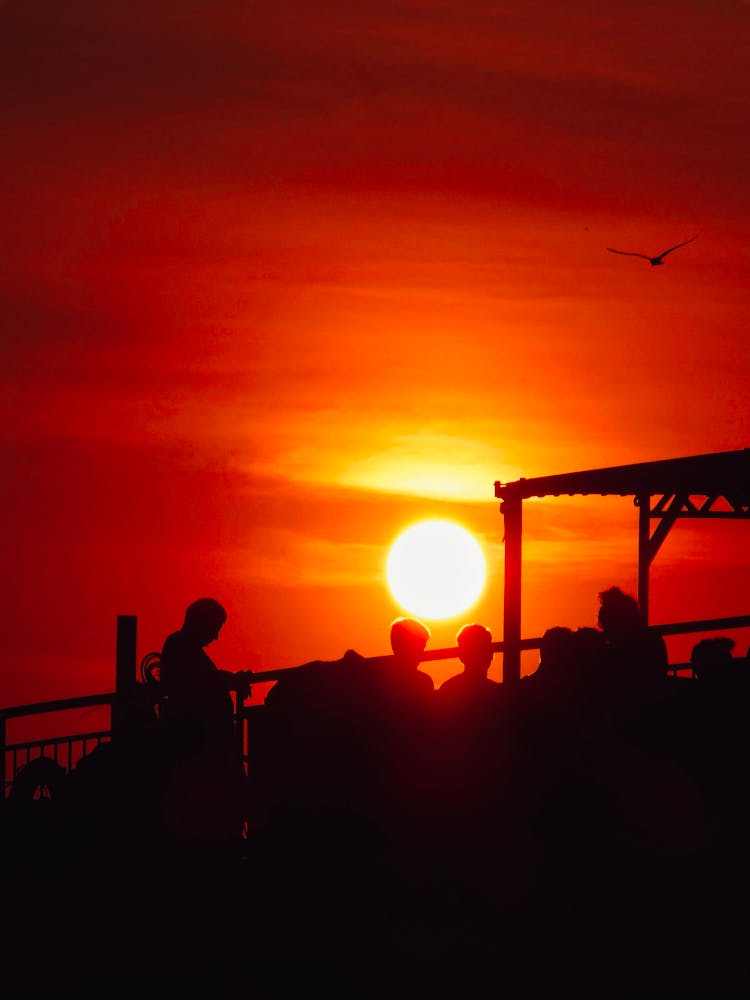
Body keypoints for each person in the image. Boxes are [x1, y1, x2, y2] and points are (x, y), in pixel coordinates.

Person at [158, 597, 254, 854]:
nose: (216, 637)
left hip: (204, 746)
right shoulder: (179, 646)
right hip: (197, 748)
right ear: (202, 622)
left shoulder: (184, 649)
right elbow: (200, 682)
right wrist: (230, 680)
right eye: (215, 628)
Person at [438, 623, 500, 704]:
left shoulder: (448, 688)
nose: (480, 655)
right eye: (474, 651)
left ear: (461, 656)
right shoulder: (496, 691)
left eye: (483, 649)